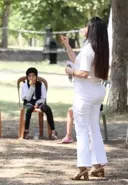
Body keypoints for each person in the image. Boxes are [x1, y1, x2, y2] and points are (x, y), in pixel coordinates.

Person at [61, 16, 109, 180]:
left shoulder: (89, 49)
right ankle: (99, 165)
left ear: (92, 30)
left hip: (85, 94)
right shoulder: (99, 48)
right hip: (96, 92)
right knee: (93, 129)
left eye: (87, 27)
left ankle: (83, 167)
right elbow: (79, 62)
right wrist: (68, 46)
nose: (84, 29)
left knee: (81, 131)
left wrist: (69, 71)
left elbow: (82, 72)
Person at [21, 67, 58, 140]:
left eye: (33, 75)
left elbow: (43, 98)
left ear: (36, 76)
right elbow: (27, 98)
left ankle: (53, 131)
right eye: (29, 76)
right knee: (29, 108)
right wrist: (31, 87)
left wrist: (37, 103)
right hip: (28, 102)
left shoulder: (41, 85)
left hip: (39, 101)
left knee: (47, 108)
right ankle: (26, 130)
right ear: (27, 77)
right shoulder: (25, 85)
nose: (31, 77)